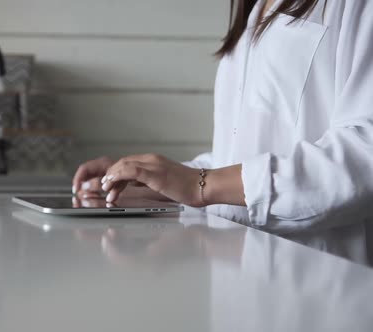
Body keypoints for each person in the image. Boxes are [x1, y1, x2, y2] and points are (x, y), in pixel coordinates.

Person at [72, 0, 373, 236]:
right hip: (240, 272)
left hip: (322, 280)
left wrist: (203, 184)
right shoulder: (255, 10)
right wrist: (150, 181)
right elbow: (244, 155)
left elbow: (364, 154)